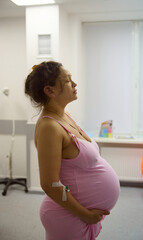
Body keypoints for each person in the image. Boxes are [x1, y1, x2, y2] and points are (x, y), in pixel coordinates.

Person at [25, 61, 120, 240]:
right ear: (50, 91)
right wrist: (85, 215)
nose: (75, 84)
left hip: (77, 213)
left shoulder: (64, 115)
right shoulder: (49, 127)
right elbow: (49, 184)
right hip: (67, 216)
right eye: (68, 81)